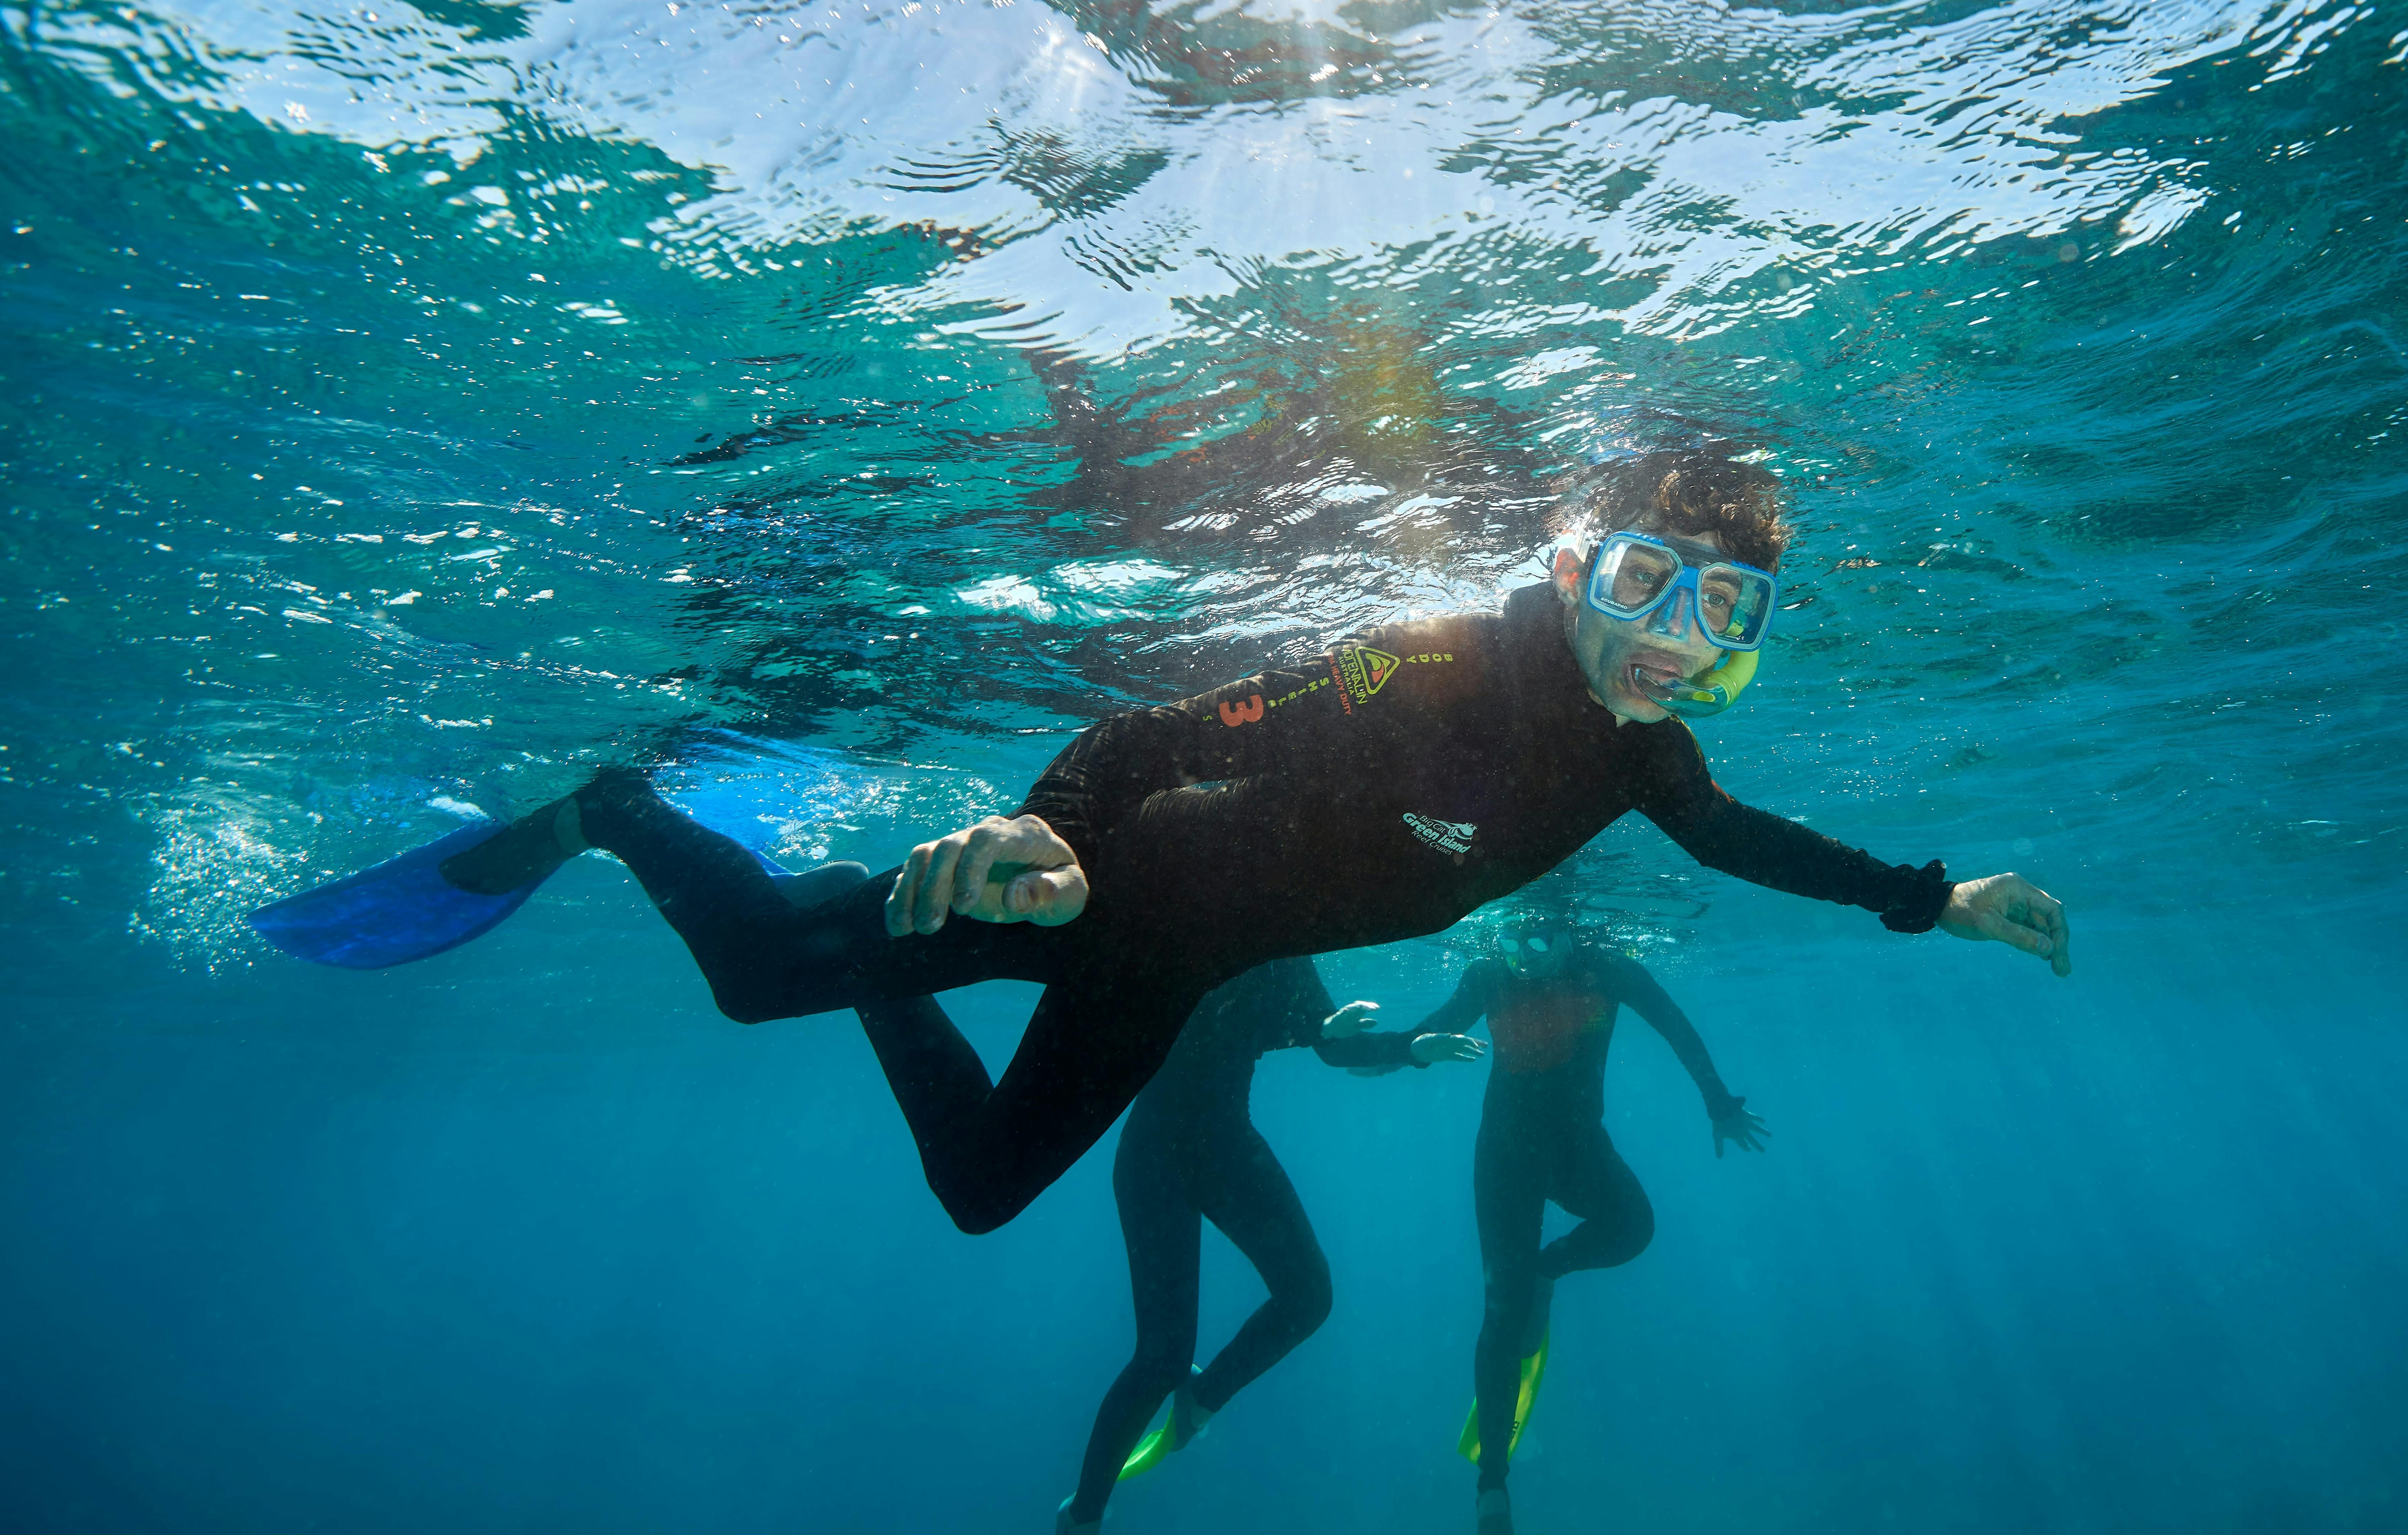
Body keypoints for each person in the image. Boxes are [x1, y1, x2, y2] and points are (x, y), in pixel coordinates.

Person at [375, 446, 2063, 1237]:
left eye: (1720, 609)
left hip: (1184, 965)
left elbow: (1747, 842)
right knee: (751, 984)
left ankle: (869, 950)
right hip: (1120, 879)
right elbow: (1165, 732)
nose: (1670, 637)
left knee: (977, 1192)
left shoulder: (1647, 763)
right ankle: (620, 810)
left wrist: (1940, 896)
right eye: (1641, 583)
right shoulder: (1435, 661)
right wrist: (1050, 832)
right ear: (1573, 565)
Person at [925, 956, 1479, 1535]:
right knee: (1161, 1357)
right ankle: (1081, 1520)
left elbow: (1334, 1043)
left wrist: (1413, 1047)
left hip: (1227, 1147)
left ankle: (1202, 1398)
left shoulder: (1288, 950)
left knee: (1310, 1296)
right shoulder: (1180, 928)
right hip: (1153, 1154)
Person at [1407, 915, 1764, 1535]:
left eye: (1540, 944)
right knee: (1502, 1316)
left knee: (1634, 1227)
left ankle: (1548, 1269)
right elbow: (1432, 1030)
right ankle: (1493, 1498)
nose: (1526, 959)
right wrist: (1399, 1049)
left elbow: (1677, 1028)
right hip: (1508, 1159)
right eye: (1513, 945)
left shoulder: (1613, 967)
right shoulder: (1489, 973)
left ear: (1571, 937)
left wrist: (1718, 1100)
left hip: (1578, 1149)